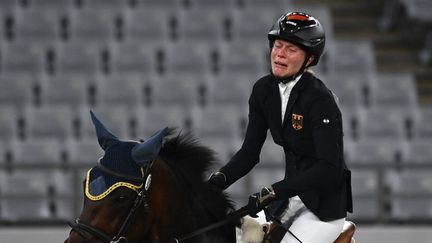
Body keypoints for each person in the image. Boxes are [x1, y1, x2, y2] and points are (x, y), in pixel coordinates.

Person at [208, 11, 353, 243]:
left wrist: (274, 190)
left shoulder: (320, 99)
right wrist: (218, 180)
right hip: (287, 200)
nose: (280, 54)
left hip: (323, 208)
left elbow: (329, 168)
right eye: (278, 45)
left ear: (310, 59)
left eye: (291, 49)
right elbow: (248, 154)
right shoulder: (263, 91)